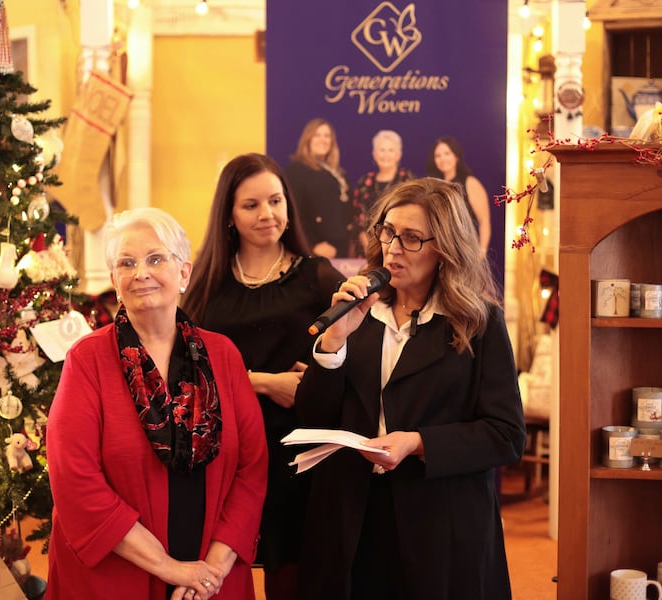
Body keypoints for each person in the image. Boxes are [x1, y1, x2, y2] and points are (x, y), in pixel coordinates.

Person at [294, 177, 525, 600]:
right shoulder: (356, 310)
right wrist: (333, 343)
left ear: (445, 248)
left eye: (412, 238)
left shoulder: (479, 322)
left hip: (440, 523)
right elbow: (313, 416)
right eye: (388, 231)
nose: (393, 248)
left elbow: (506, 436)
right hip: (355, 519)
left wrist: (418, 443)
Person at [46, 207, 268, 600]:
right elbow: (74, 479)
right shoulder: (87, 360)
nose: (141, 272)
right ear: (115, 280)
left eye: (155, 259)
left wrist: (210, 572)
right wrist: (171, 569)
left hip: (214, 575)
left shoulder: (224, 354)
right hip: (117, 578)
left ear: (183, 273)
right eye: (126, 263)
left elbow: (251, 469)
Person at [182, 153, 344, 600]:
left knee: (291, 572)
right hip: (225, 447)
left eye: (275, 201)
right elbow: (183, 366)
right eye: (251, 205)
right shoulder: (206, 285)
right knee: (219, 567)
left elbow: (350, 358)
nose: (267, 214)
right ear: (229, 215)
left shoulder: (317, 277)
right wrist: (263, 381)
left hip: (297, 449)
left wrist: (320, 372)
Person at [284, 118, 351, 259]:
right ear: (308, 138)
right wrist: (313, 243)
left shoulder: (336, 172)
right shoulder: (296, 171)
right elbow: (293, 210)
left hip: (340, 246)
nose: (323, 140)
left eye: (327, 136)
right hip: (317, 248)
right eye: (317, 135)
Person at [350, 130, 415, 257]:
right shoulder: (364, 182)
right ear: (374, 154)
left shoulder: (408, 180)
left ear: (398, 155)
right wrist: (368, 246)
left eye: (391, 150)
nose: (386, 155)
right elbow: (356, 219)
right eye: (382, 150)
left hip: (400, 248)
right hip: (366, 252)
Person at [426, 136, 491, 257]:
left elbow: (484, 221)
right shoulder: (433, 185)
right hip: (439, 250)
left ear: (456, 156)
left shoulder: (470, 183)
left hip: (465, 250)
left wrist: (481, 253)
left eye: (447, 153)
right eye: (438, 156)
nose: (442, 159)